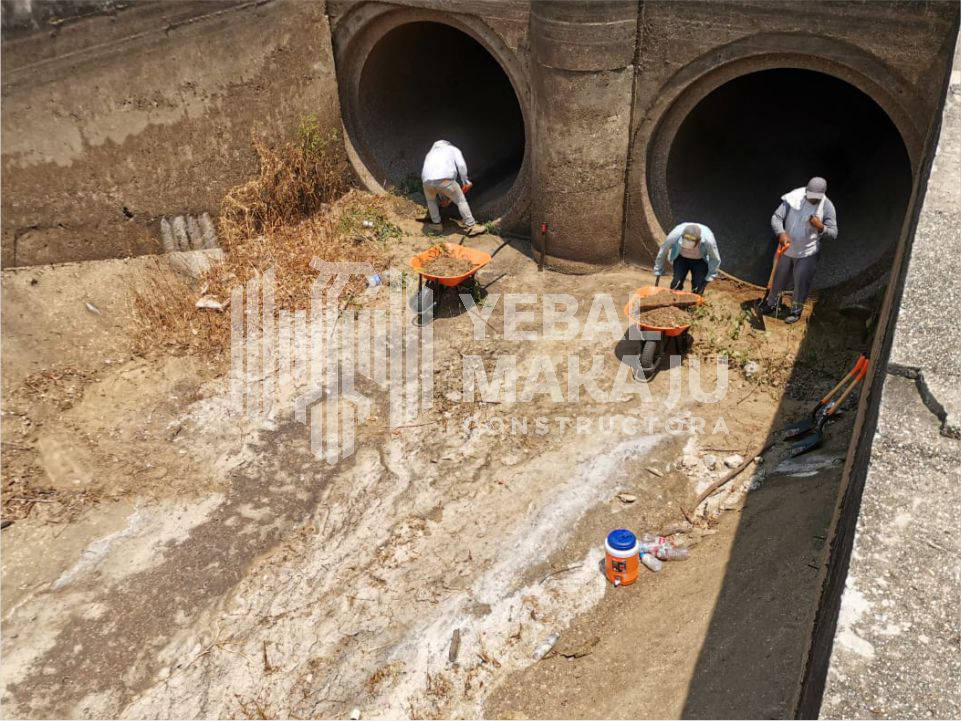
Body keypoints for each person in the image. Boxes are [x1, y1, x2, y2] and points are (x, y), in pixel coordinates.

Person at [758, 176, 838, 323]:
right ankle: (771, 303)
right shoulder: (794, 197)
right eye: (809, 195)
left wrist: (820, 227)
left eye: (815, 197)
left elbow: (833, 234)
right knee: (778, 278)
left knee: (801, 282)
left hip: (808, 253)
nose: (811, 199)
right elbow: (776, 217)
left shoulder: (827, 207)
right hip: (786, 248)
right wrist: (781, 233)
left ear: (822, 195)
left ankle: (795, 311)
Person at [421, 140, 484, 237]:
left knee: (431, 201)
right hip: (445, 180)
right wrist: (465, 181)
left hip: (426, 183)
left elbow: (435, 180)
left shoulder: (430, 155)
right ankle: (472, 226)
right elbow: (461, 166)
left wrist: (444, 199)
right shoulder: (452, 150)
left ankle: (437, 225)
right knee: (461, 201)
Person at [653, 222, 721, 295]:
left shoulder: (708, 241)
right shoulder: (674, 236)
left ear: (698, 240)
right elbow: (663, 251)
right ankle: (673, 301)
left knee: (697, 287)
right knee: (676, 283)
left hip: (700, 261)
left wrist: (710, 276)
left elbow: (715, 258)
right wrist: (658, 269)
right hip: (681, 259)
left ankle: (695, 302)